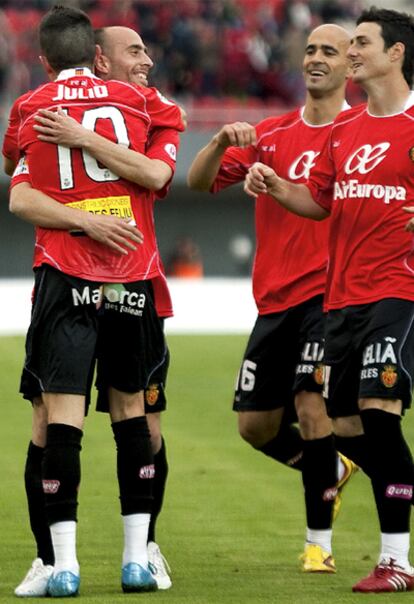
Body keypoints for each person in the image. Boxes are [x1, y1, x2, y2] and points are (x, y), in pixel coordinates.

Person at [5, 5, 184, 597]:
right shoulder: (145, 106)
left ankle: (68, 564)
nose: (146, 63)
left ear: (42, 57)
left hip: (66, 273)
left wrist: (77, 142)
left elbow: (17, 180)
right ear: (99, 55)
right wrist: (98, 213)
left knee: (64, 421)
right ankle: (129, 558)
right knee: (131, 417)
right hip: (129, 272)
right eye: (135, 53)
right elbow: (154, 174)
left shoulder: (31, 106)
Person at [244, 6, 414, 594]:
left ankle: (398, 560)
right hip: (342, 298)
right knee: (344, 425)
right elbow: (318, 202)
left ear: (395, 53)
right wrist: (273, 185)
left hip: (399, 292)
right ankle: (397, 493)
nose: (352, 52)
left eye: (362, 43)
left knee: (379, 417)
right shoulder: (346, 132)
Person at [187, 23, 357, 572]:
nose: (316, 59)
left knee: (312, 406)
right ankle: (329, 468)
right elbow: (197, 182)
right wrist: (217, 142)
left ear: (350, 67)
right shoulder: (272, 133)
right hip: (274, 301)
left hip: (329, 297)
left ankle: (318, 547)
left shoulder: (359, 135)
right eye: (310, 49)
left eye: (329, 51)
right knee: (255, 428)